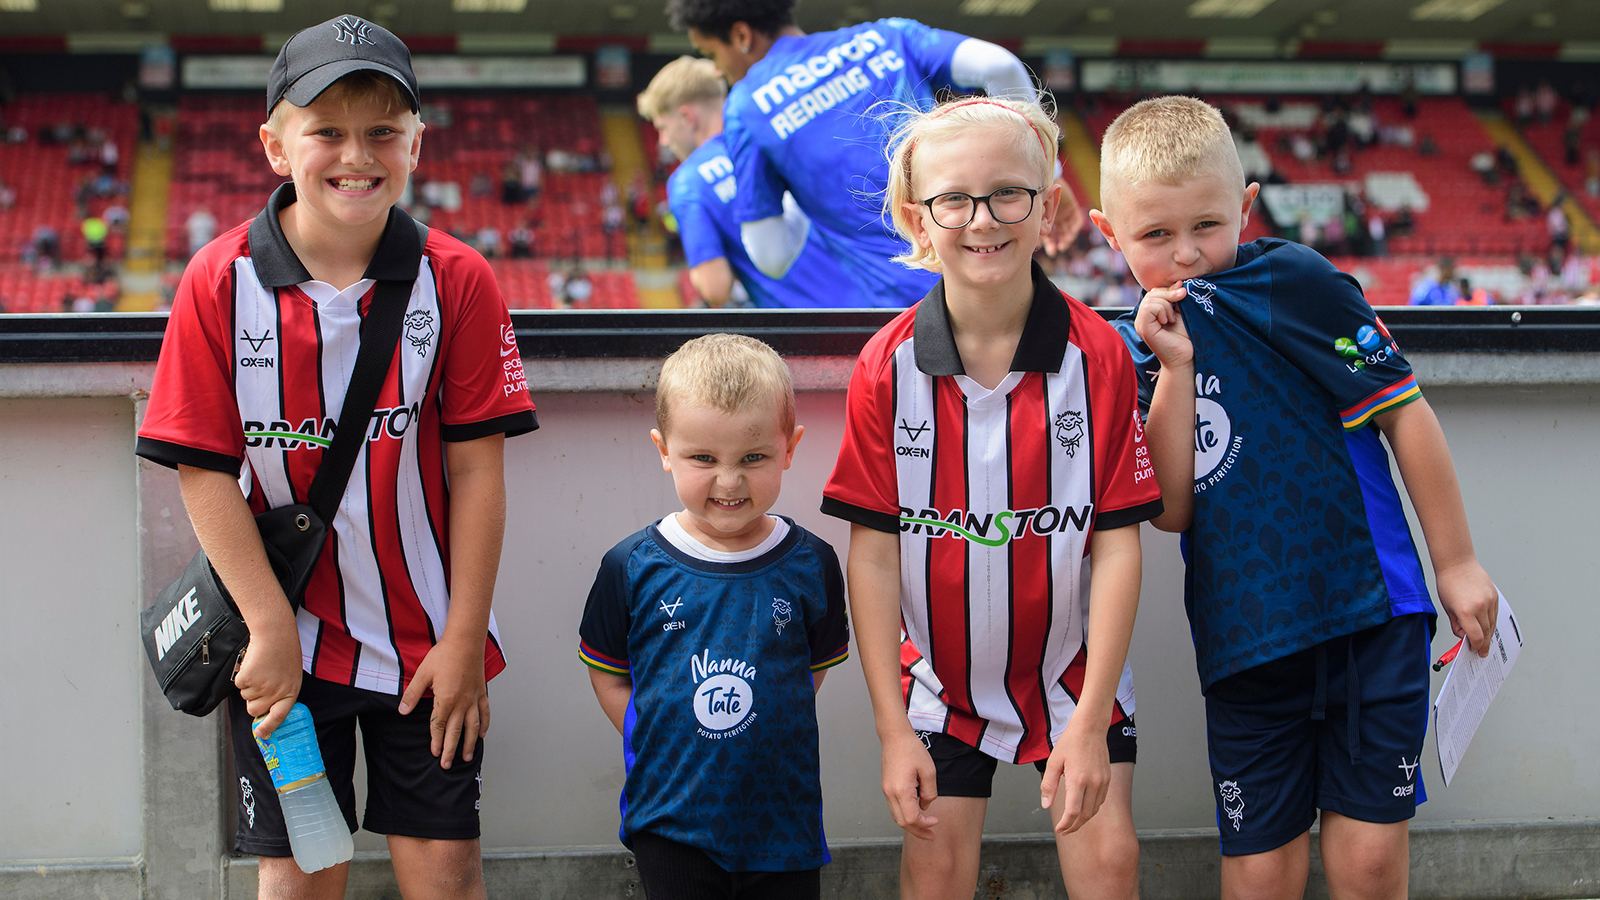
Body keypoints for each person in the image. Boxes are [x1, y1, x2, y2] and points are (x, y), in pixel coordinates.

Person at [133, 16, 538, 900]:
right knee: (303, 866)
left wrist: (465, 637)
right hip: (288, 650)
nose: (357, 154)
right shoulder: (218, 278)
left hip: (425, 647)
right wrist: (271, 627)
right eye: (327, 130)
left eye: (382, 131)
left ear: (416, 144)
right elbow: (202, 469)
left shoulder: (458, 278)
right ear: (277, 146)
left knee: (445, 869)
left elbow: (477, 470)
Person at [1093, 95, 1497, 900]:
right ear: (1109, 234)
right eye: (1155, 236)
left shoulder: (1301, 283)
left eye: (1207, 226)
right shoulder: (1136, 344)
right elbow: (1173, 509)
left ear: (1246, 206)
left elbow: (1404, 412)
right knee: (1261, 873)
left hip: (1370, 617)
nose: (1186, 256)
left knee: (1372, 866)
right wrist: (1172, 369)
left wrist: (1456, 562)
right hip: (1246, 641)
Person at [822, 96, 1160, 900]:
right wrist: (892, 728)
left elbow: (1116, 546)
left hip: (1073, 675)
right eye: (954, 200)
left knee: (1110, 861)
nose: (983, 220)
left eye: (1010, 193)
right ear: (917, 219)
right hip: (938, 682)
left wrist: (1092, 717)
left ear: (1048, 205)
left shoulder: (1099, 357)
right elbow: (871, 559)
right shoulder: (885, 366)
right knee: (934, 869)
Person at [579, 333, 850, 900]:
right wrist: (649, 730)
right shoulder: (630, 566)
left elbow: (810, 669)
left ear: (790, 448)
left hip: (785, 822)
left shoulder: (814, 564)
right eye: (703, 458)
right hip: (670, 818)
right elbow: (606, 668)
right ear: (663, 449)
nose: (729, 482)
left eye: (753, 457)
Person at [667, 0, 1082, 308]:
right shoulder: (886, 35)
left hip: (907, 313)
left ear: (741, 36)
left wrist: (799, 193)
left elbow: (771, 257)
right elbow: (1000, 66)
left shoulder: (745, 106)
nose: (717, 70)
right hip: (1003, 289)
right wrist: (1051, 175)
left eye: (711, 54)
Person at [637, 55, 857, 308]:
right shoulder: (771, 139)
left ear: (688, 117)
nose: (663, 141)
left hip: (810, 322)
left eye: (663, 127)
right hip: (870, 299)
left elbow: (715, 288)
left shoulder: (688, 182)